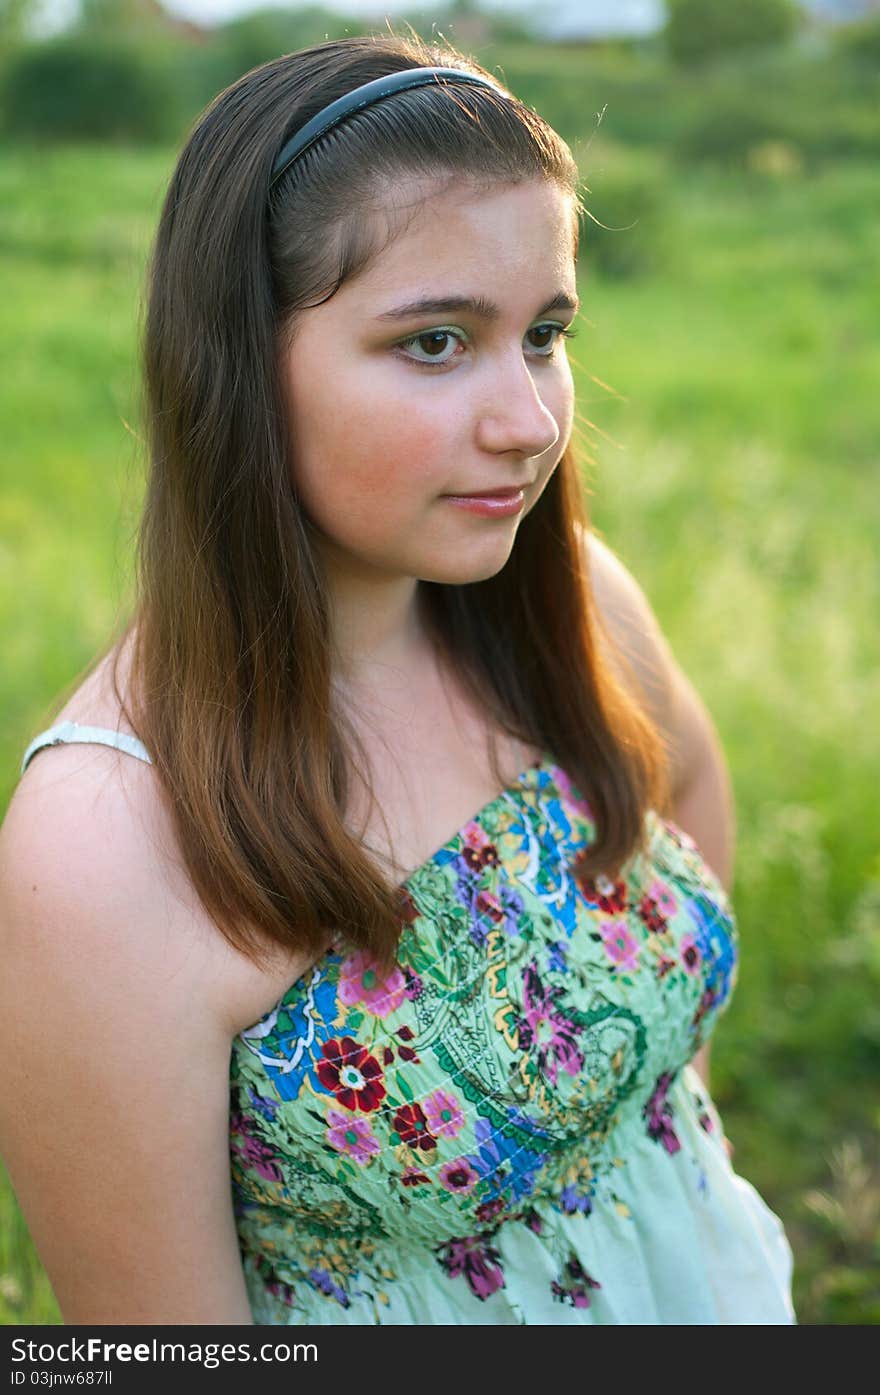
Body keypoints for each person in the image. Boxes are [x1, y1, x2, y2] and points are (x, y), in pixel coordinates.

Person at [0, 31, 795, 1325]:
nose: (530, 422)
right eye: (435, 342)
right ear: (238, 366)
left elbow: (688, 791)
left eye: (543, 334)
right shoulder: (100, 851)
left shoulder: (572, 602)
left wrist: (643, 1129)